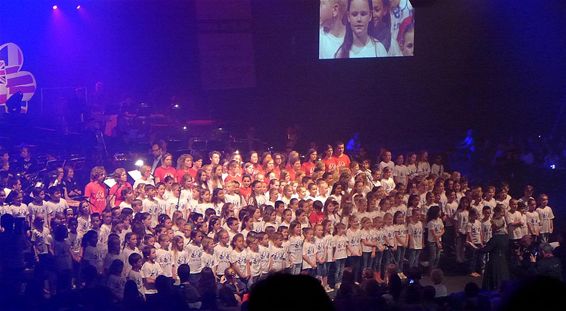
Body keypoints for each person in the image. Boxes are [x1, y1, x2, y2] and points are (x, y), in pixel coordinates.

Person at [480, 205, 510, 291]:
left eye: (492, 226)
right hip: (503, 263)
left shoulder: (496, 238)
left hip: (494, 263)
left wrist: (475, 248)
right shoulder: (505, 237)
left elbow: (486, 249)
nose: (491, 227)